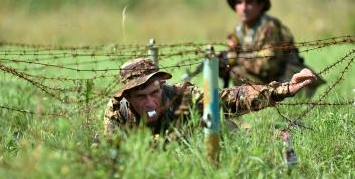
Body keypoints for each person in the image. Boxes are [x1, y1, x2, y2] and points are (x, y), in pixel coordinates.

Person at [104, 57, 317, 139]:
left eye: (154, 93)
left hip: (201, 140)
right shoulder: (117, 111)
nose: (150, 101)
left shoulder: (180, 95)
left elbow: (228, 99)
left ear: (161, 85)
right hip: (168, 151)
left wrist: (284, 89)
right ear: (128, 96)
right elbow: (112, 149)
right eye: (141, 96)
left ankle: (280, 132)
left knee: (227, 129)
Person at [225, 0, 325, 97]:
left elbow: (268, 65)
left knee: (237, 69)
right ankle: (257, 102)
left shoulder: (269, 27)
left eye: (249, 2)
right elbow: (232, 58)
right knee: (236, 72)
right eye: (239, 2)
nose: (244, 7)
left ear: (260, 4)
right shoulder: (238, 31)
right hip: (267, 80)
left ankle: (267, 99)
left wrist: (237, 58)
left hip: (289, 79)